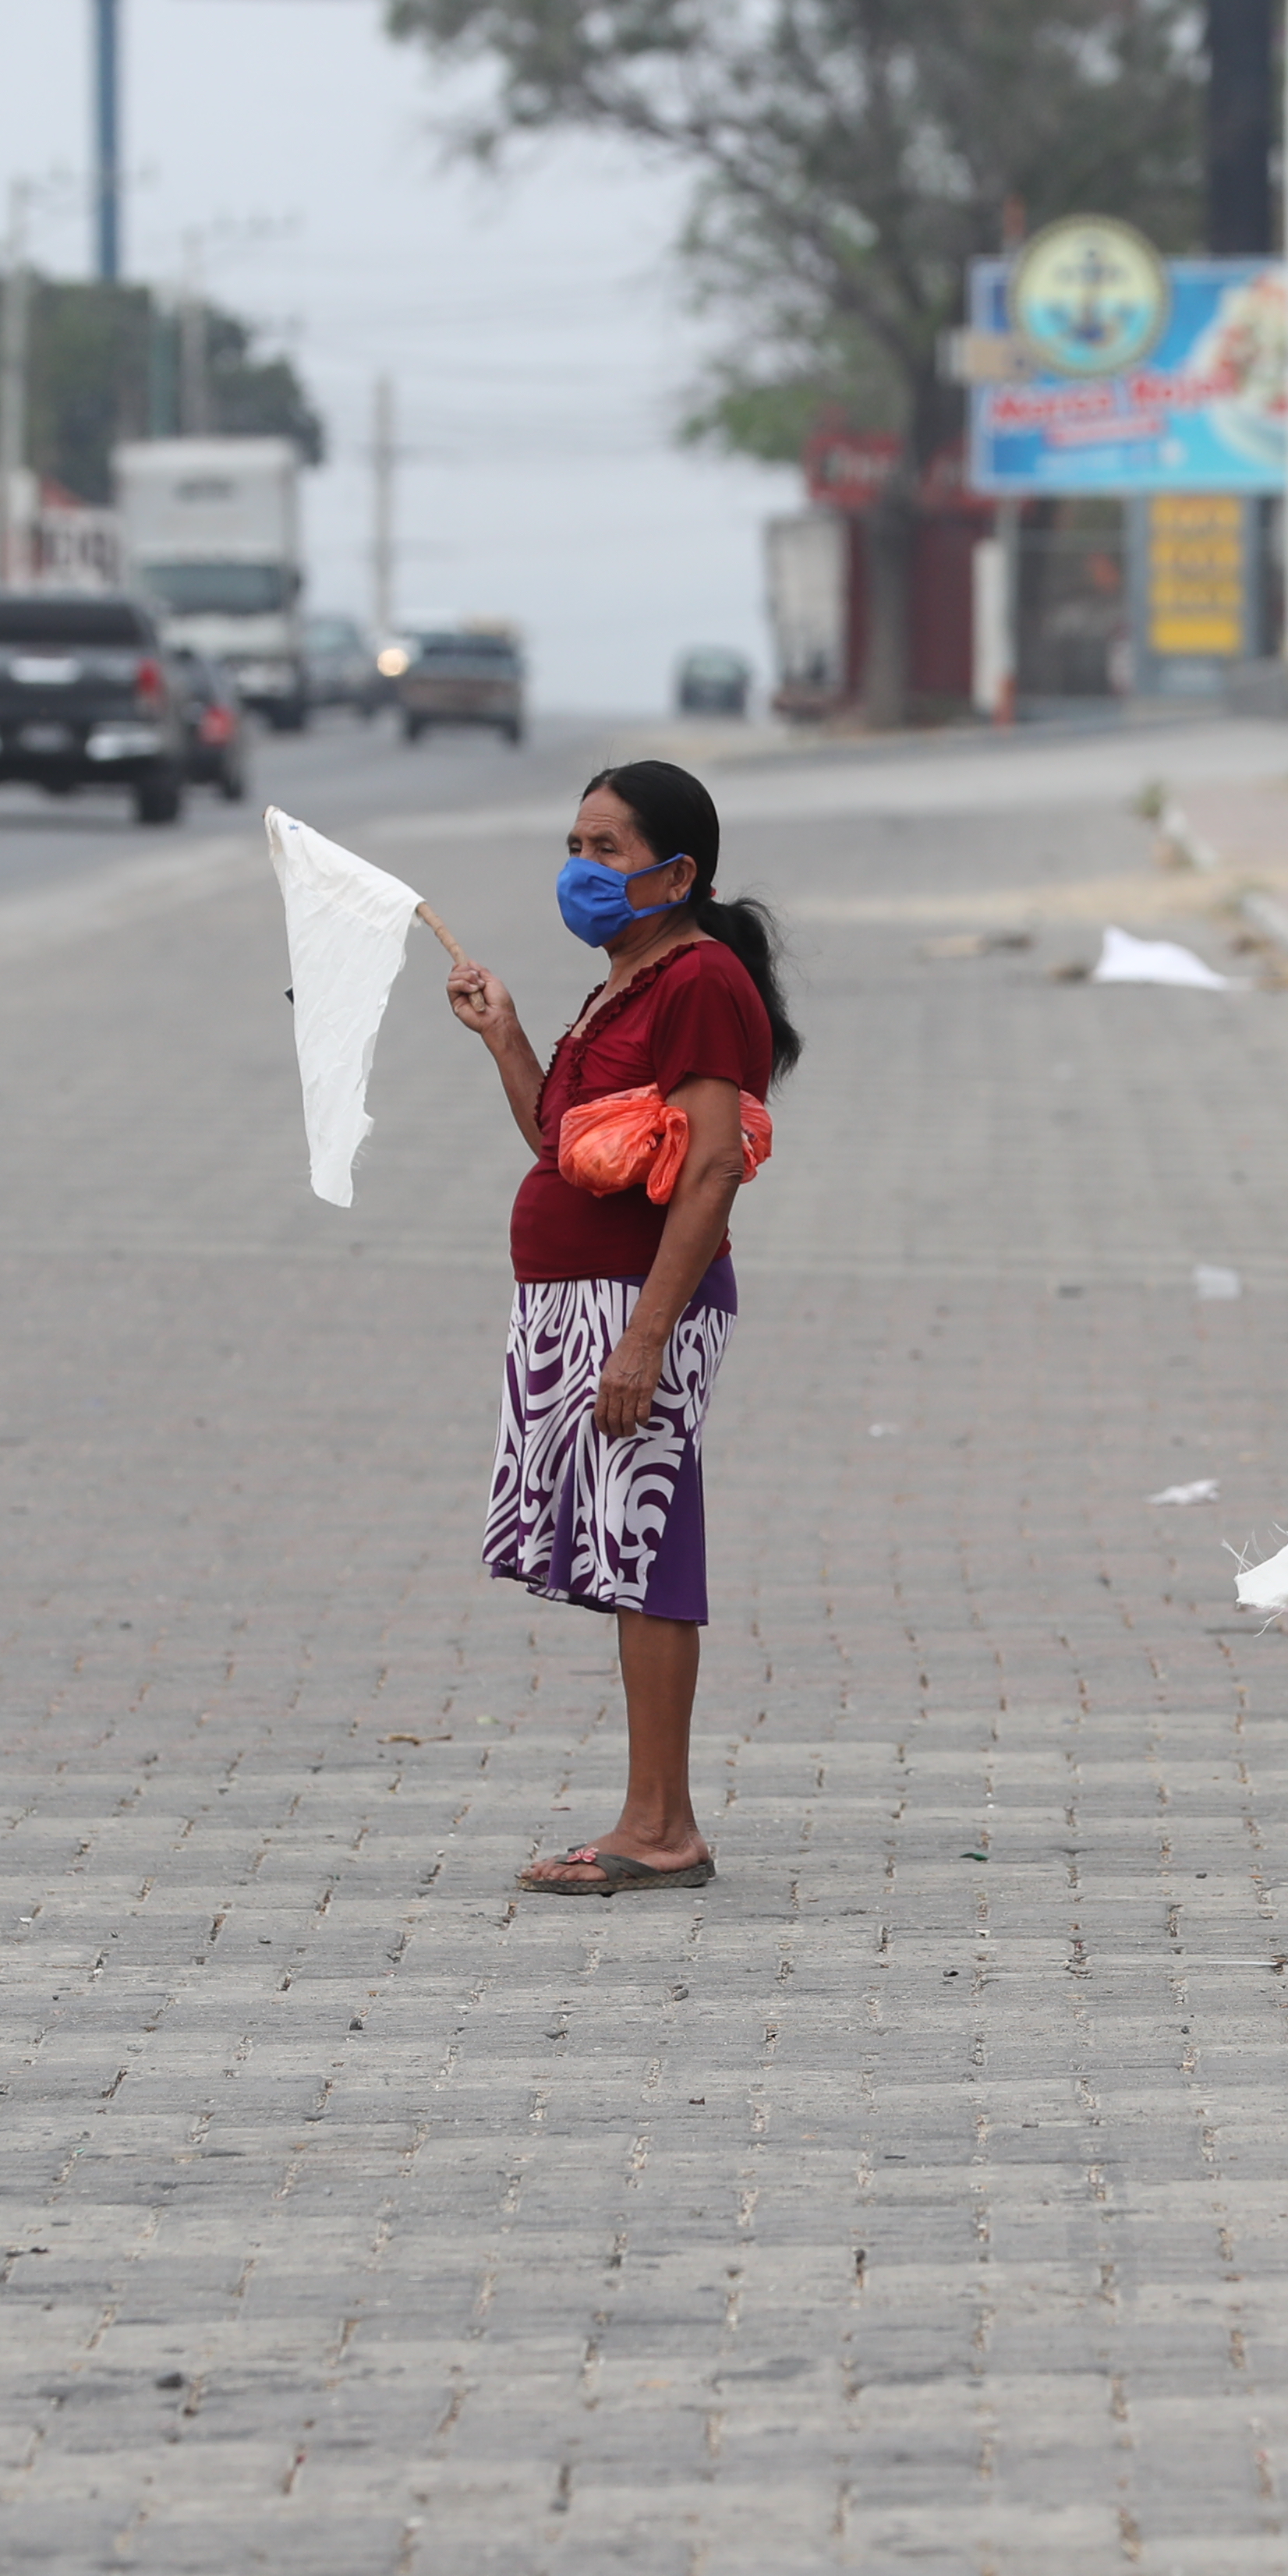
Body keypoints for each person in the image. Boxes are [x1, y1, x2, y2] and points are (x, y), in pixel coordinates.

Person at [443, 759, 798, 1897]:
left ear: (677, 871)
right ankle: (652, 1817)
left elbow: (706, 1176)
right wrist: (504, 1038)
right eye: (576, 846)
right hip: (576, 1299)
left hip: (639, 1303)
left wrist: (644, 1337)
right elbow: (568, 1147)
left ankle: (663, 1828)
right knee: (624, 1546)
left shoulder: (698, 983)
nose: (581, 869)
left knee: (650, 1544)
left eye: (608, 849)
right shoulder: (624, 980)